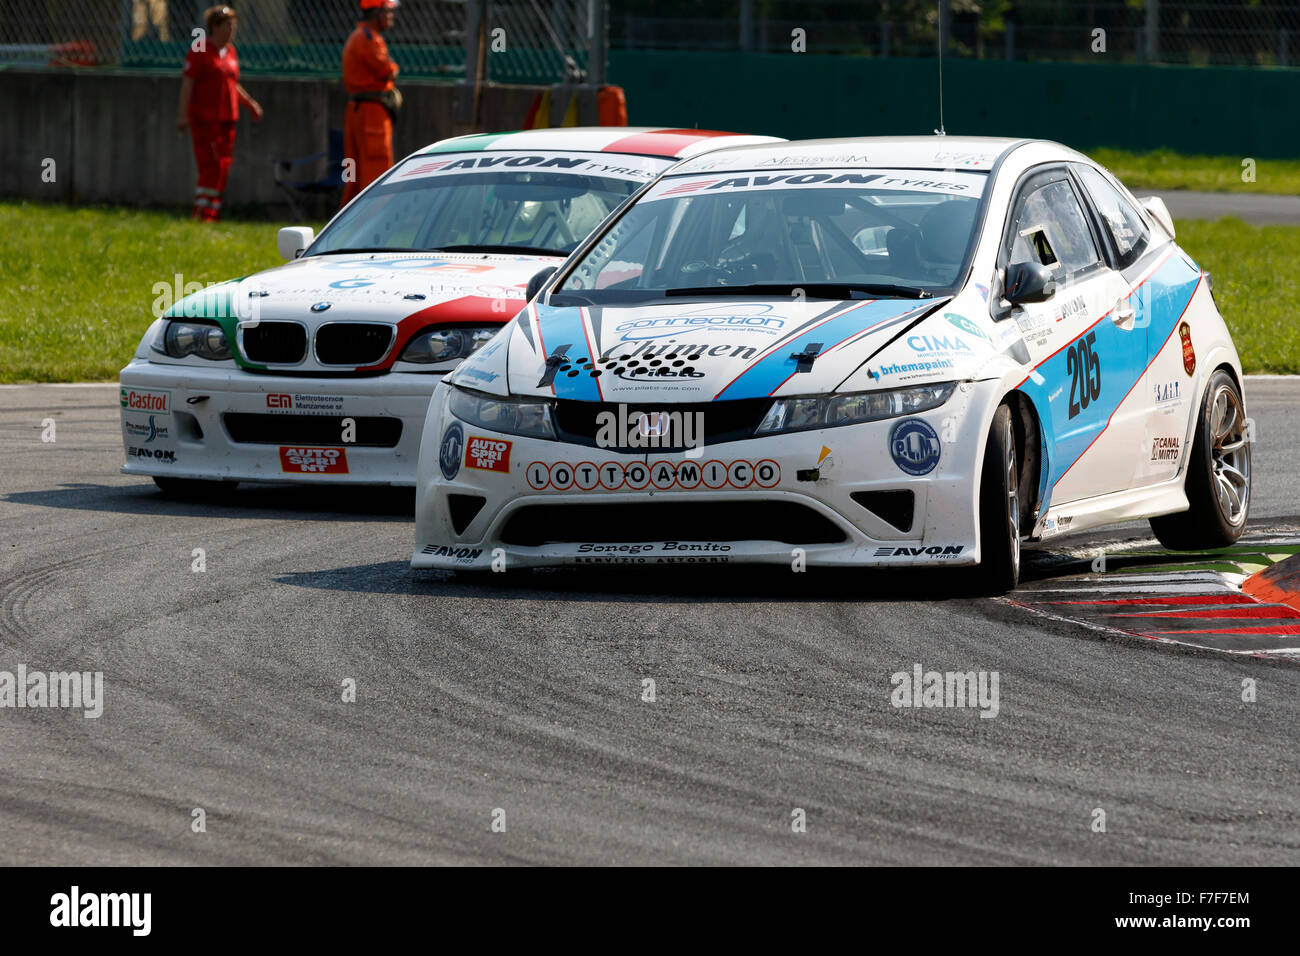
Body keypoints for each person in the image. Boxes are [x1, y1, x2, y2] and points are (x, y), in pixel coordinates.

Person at [177, 5, 263, 222]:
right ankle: (201, 213)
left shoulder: (231, 52)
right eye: (227, 25)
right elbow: (188, 84)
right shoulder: (199, 49)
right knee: (211, 165)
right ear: (214, 27)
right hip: (206, 119)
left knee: (224, 165)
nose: (232, 29)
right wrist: (183, 115)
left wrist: (250, 103)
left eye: (233, 25)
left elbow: (233, 83)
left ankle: (213, 213)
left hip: (228, 119)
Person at [341, 0, 401, 208]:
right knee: (378, 171)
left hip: (361, 111)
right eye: (388, 11)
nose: (391, 16)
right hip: (371, 113)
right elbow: (387, 70)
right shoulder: (368, 39)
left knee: (355, 174)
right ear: (376, 13)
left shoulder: (360, 36)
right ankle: (377, 220)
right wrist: (394, 68)